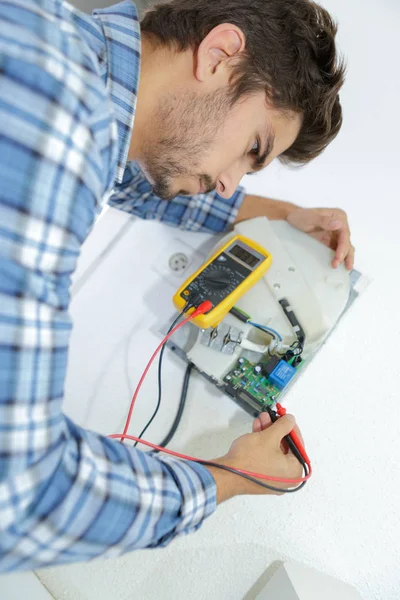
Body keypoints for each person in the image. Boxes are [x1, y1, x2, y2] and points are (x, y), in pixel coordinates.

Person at [0, 0, 353, 570]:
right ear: (219, 56)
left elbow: (136, 189)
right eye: (253, 148)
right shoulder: (62, 128)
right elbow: (16, 496)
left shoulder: (54, 48)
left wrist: (285, 214)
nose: (226, 183)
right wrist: (227, 479)